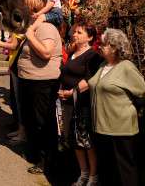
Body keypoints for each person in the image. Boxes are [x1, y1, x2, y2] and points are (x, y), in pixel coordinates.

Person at [88, 29, 145, 186]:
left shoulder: (126, 67)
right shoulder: (102, 65)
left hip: (121, 129)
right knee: (107, 170)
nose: (100, 47)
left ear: (115, 47)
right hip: (101, 128)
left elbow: (142, 91)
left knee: (125, 170)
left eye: (104, 44)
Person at [17, 0, 62, 175]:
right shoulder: (32, 26)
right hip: (28, 80)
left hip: (42, 82)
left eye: (24, 6)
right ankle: (35, 153)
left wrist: (29, 35)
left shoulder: (47, 28)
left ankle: (47, 160)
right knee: (30, 119)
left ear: (32, 9)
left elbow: (45, 53)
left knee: (43, 121)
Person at [57, 23, 102, 186]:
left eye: (79, 32)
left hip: (82, 103)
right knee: (74, 139)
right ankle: (83, 173)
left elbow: (89, 78)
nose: (74, 34)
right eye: (74, 32)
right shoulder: (73, 52)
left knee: (86, 140)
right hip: (68, 102)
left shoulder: (92, 56)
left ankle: (93, 175)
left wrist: (73, 91)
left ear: (89, 37)